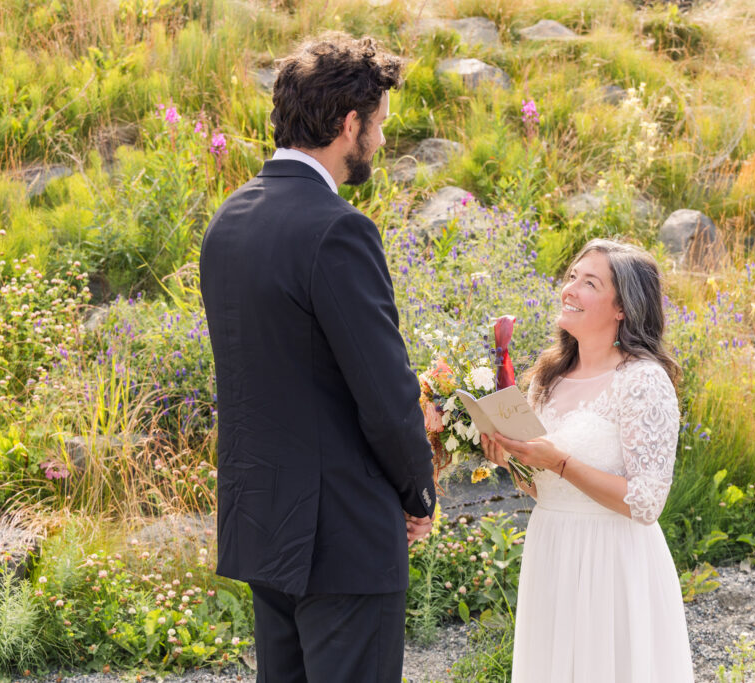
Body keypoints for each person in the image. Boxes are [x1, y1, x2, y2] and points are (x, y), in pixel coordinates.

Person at [199, 33, 436, 683]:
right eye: (379, 124)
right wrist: (417, 489)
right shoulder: (338, 230)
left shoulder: (228, 222)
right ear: (348, 123)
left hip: (262, 526)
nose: (381, 142)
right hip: (343, 538)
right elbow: (386, 394)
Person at [482, 239, 695, 682]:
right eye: (572, 277)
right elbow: (542, 487)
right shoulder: (548, 375)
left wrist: (560, 463)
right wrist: (511, 460)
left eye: (590, 282)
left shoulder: (642, 381)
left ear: (622, 308)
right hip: (552, 549)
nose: (571, 289)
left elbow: (646, 502)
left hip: (613, 563)